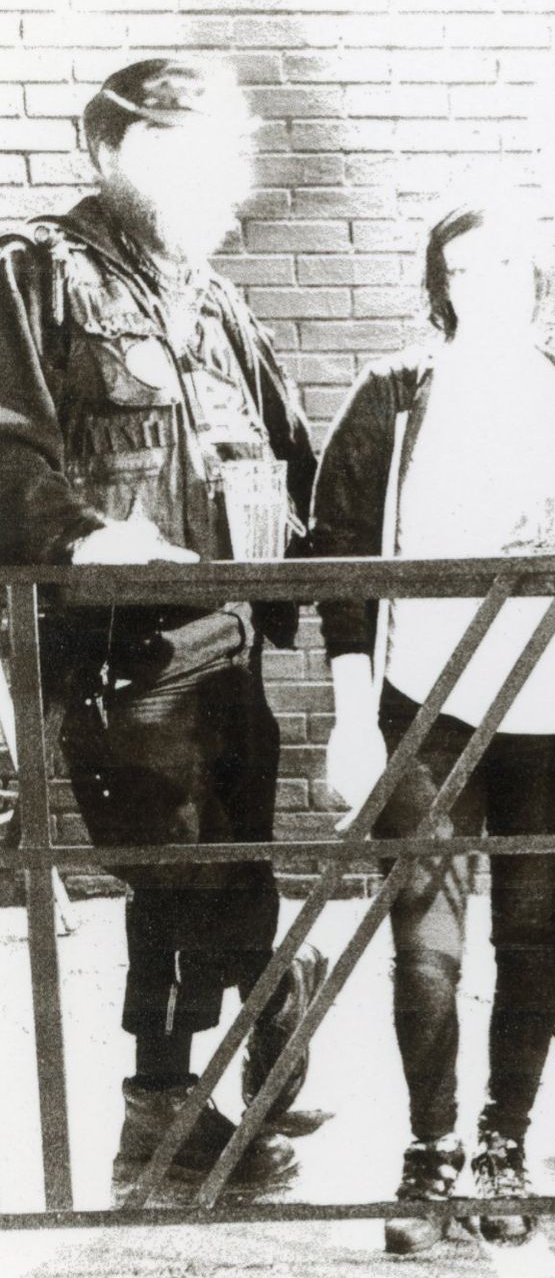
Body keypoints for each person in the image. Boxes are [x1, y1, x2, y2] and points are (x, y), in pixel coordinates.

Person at [0, 58, 326, 1205]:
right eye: (192, 149)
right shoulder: (35, 274)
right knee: (174, 870)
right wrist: (81, 538)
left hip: (229, 637)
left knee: (219, 866)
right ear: (116, 152)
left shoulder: (217, 301)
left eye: (229, 153)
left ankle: (205, 1062)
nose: (223, 175)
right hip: (119, 645)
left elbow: (292, 461)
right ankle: (187, 1082)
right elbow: (4, 437)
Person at [309, 197, 555, 1253]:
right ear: (439, 283)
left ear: (540, 278)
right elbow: (339, 557)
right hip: (422, 704)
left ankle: (504, 1143)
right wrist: (353, 721)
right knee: (425, 945)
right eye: (463, 269)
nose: (487, 285)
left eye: (510, 266)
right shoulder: (395, 393)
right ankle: (429, 1147)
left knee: (535, 942)